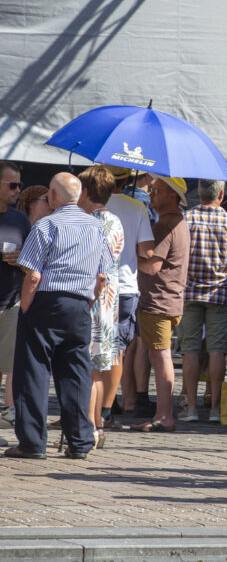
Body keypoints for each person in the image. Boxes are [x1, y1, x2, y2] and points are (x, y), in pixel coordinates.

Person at [5, 173, 112, 459]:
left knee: (33, 372)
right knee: (76, 374)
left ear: (52, 196)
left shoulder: (47, 225)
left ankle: (32, 442)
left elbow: (33, 275)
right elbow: (102, 277)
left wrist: (26, 307)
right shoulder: (96, 227)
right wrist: (88, 303)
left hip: (45, 302)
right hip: (79, 304)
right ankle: (79, 443)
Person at [179, 179, 227, 423]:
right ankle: (217, 410)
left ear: (199, 193)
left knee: (190, 350)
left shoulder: (185, 220)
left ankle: (191, 408)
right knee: (218, 351)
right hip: (220, 293)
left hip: (188, 293)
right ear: (221, 195)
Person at [130, 175, 190, 432]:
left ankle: (165, 415)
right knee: (159, 354)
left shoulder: (166, 224)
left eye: (157, 191)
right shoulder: (175, 222)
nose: (151, 194)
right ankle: (163, 413)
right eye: (152, 189)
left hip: (158, 299)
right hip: (167, 298)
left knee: (160, 354)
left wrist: (129, 257)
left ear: (172, 196)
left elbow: (152, 266)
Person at [101, 166, 155, 432]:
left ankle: (87, 408)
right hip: (125, 286)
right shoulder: (137, 208)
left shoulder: (92, 205)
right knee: (117, 350)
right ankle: (106, 410)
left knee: (90, 348)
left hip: (96, 284)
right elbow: (147, 251)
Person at [76, 166, 125, 450]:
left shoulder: (88, 223)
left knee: (86, 369)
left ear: (85, 192)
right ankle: (97, 425)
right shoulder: (115, 220)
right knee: (97, 368)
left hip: (92, 297)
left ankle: (87, 427)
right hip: (109, 301)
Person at [0, 163, 30, 437]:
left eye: (19, 185)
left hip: (10, 302)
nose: (18, 191)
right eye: (12, 185)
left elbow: (34, 262)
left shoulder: (20, 220)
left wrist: (21, 261)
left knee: (5, 366)